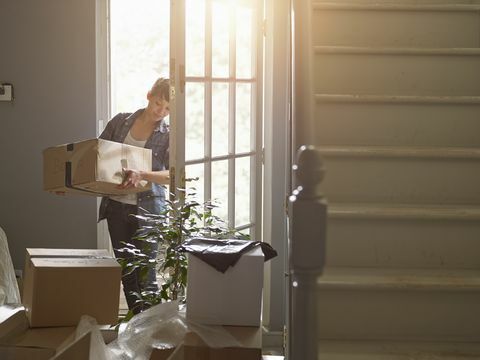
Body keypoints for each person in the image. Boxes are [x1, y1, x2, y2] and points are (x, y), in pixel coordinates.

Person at [98, 78, 170, 314]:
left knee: (145, 273)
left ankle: (150, 330)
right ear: (149, 95)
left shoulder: (168, 134)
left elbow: (174, 175)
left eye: (168, 108)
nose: (161, 111)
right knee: (127, 272)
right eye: (159, 103)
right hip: (116, 207)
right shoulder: (120, 121)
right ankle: (135, 327)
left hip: (148, 211)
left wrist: (142, 174)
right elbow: (97, 155)